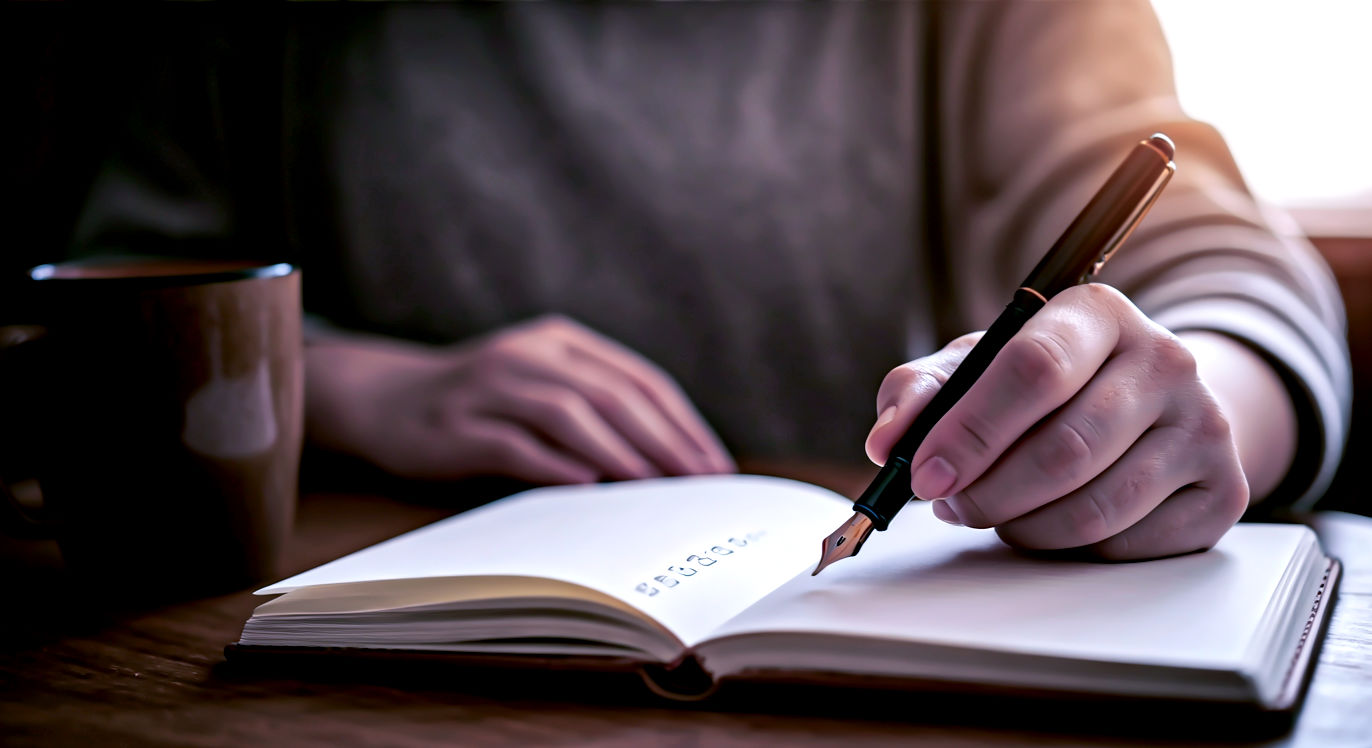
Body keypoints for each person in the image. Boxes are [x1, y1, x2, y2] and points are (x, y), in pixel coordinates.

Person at [70, 1, 1350, 561]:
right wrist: (357, 385)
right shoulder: (253, 18)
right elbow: (97, 302)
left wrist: (1173, 411)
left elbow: (1226, 270)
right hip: (345, 622)